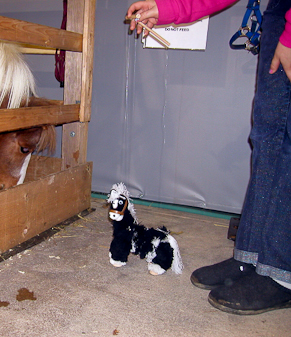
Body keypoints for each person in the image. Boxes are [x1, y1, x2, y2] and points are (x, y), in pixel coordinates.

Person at [127, 0, 291, 315]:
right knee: (268, 137)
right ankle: (252, 258)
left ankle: (282, 273)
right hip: (278, 12)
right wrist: (169, 9)